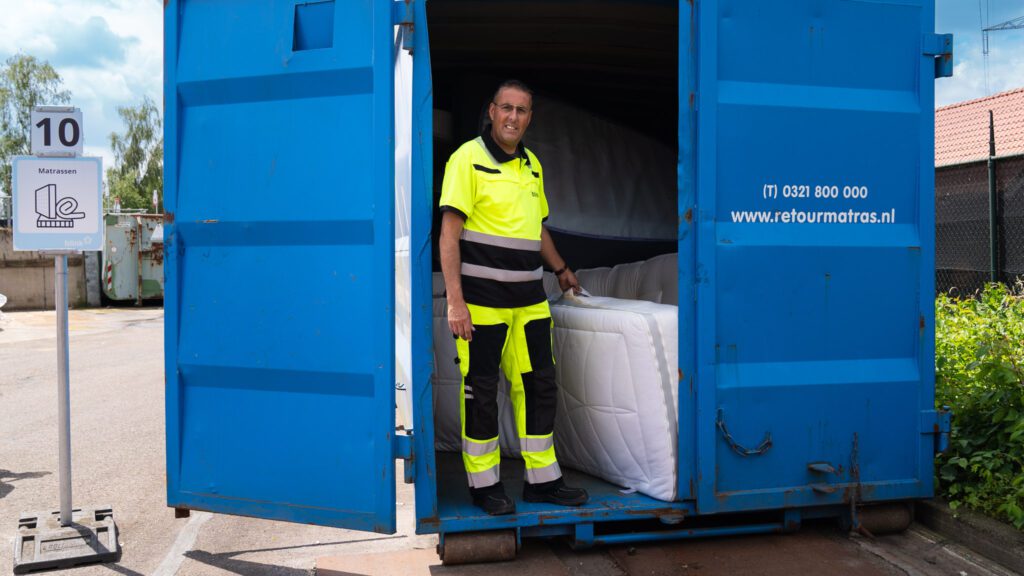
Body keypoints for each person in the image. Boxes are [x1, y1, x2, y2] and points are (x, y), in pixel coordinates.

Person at [438, 80, 589, 515]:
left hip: (530, 302)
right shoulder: (466, 159)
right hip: (482, 305)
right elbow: (450, 233)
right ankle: (483, 486)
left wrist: (560, 269)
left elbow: (536, 228)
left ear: (529, 117)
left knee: (540, 388)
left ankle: (542, 481)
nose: (513, 117)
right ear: (491, 110)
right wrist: (455, 301)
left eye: (522, 111)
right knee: (482, 393)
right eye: (506, 108)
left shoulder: (533, 166)